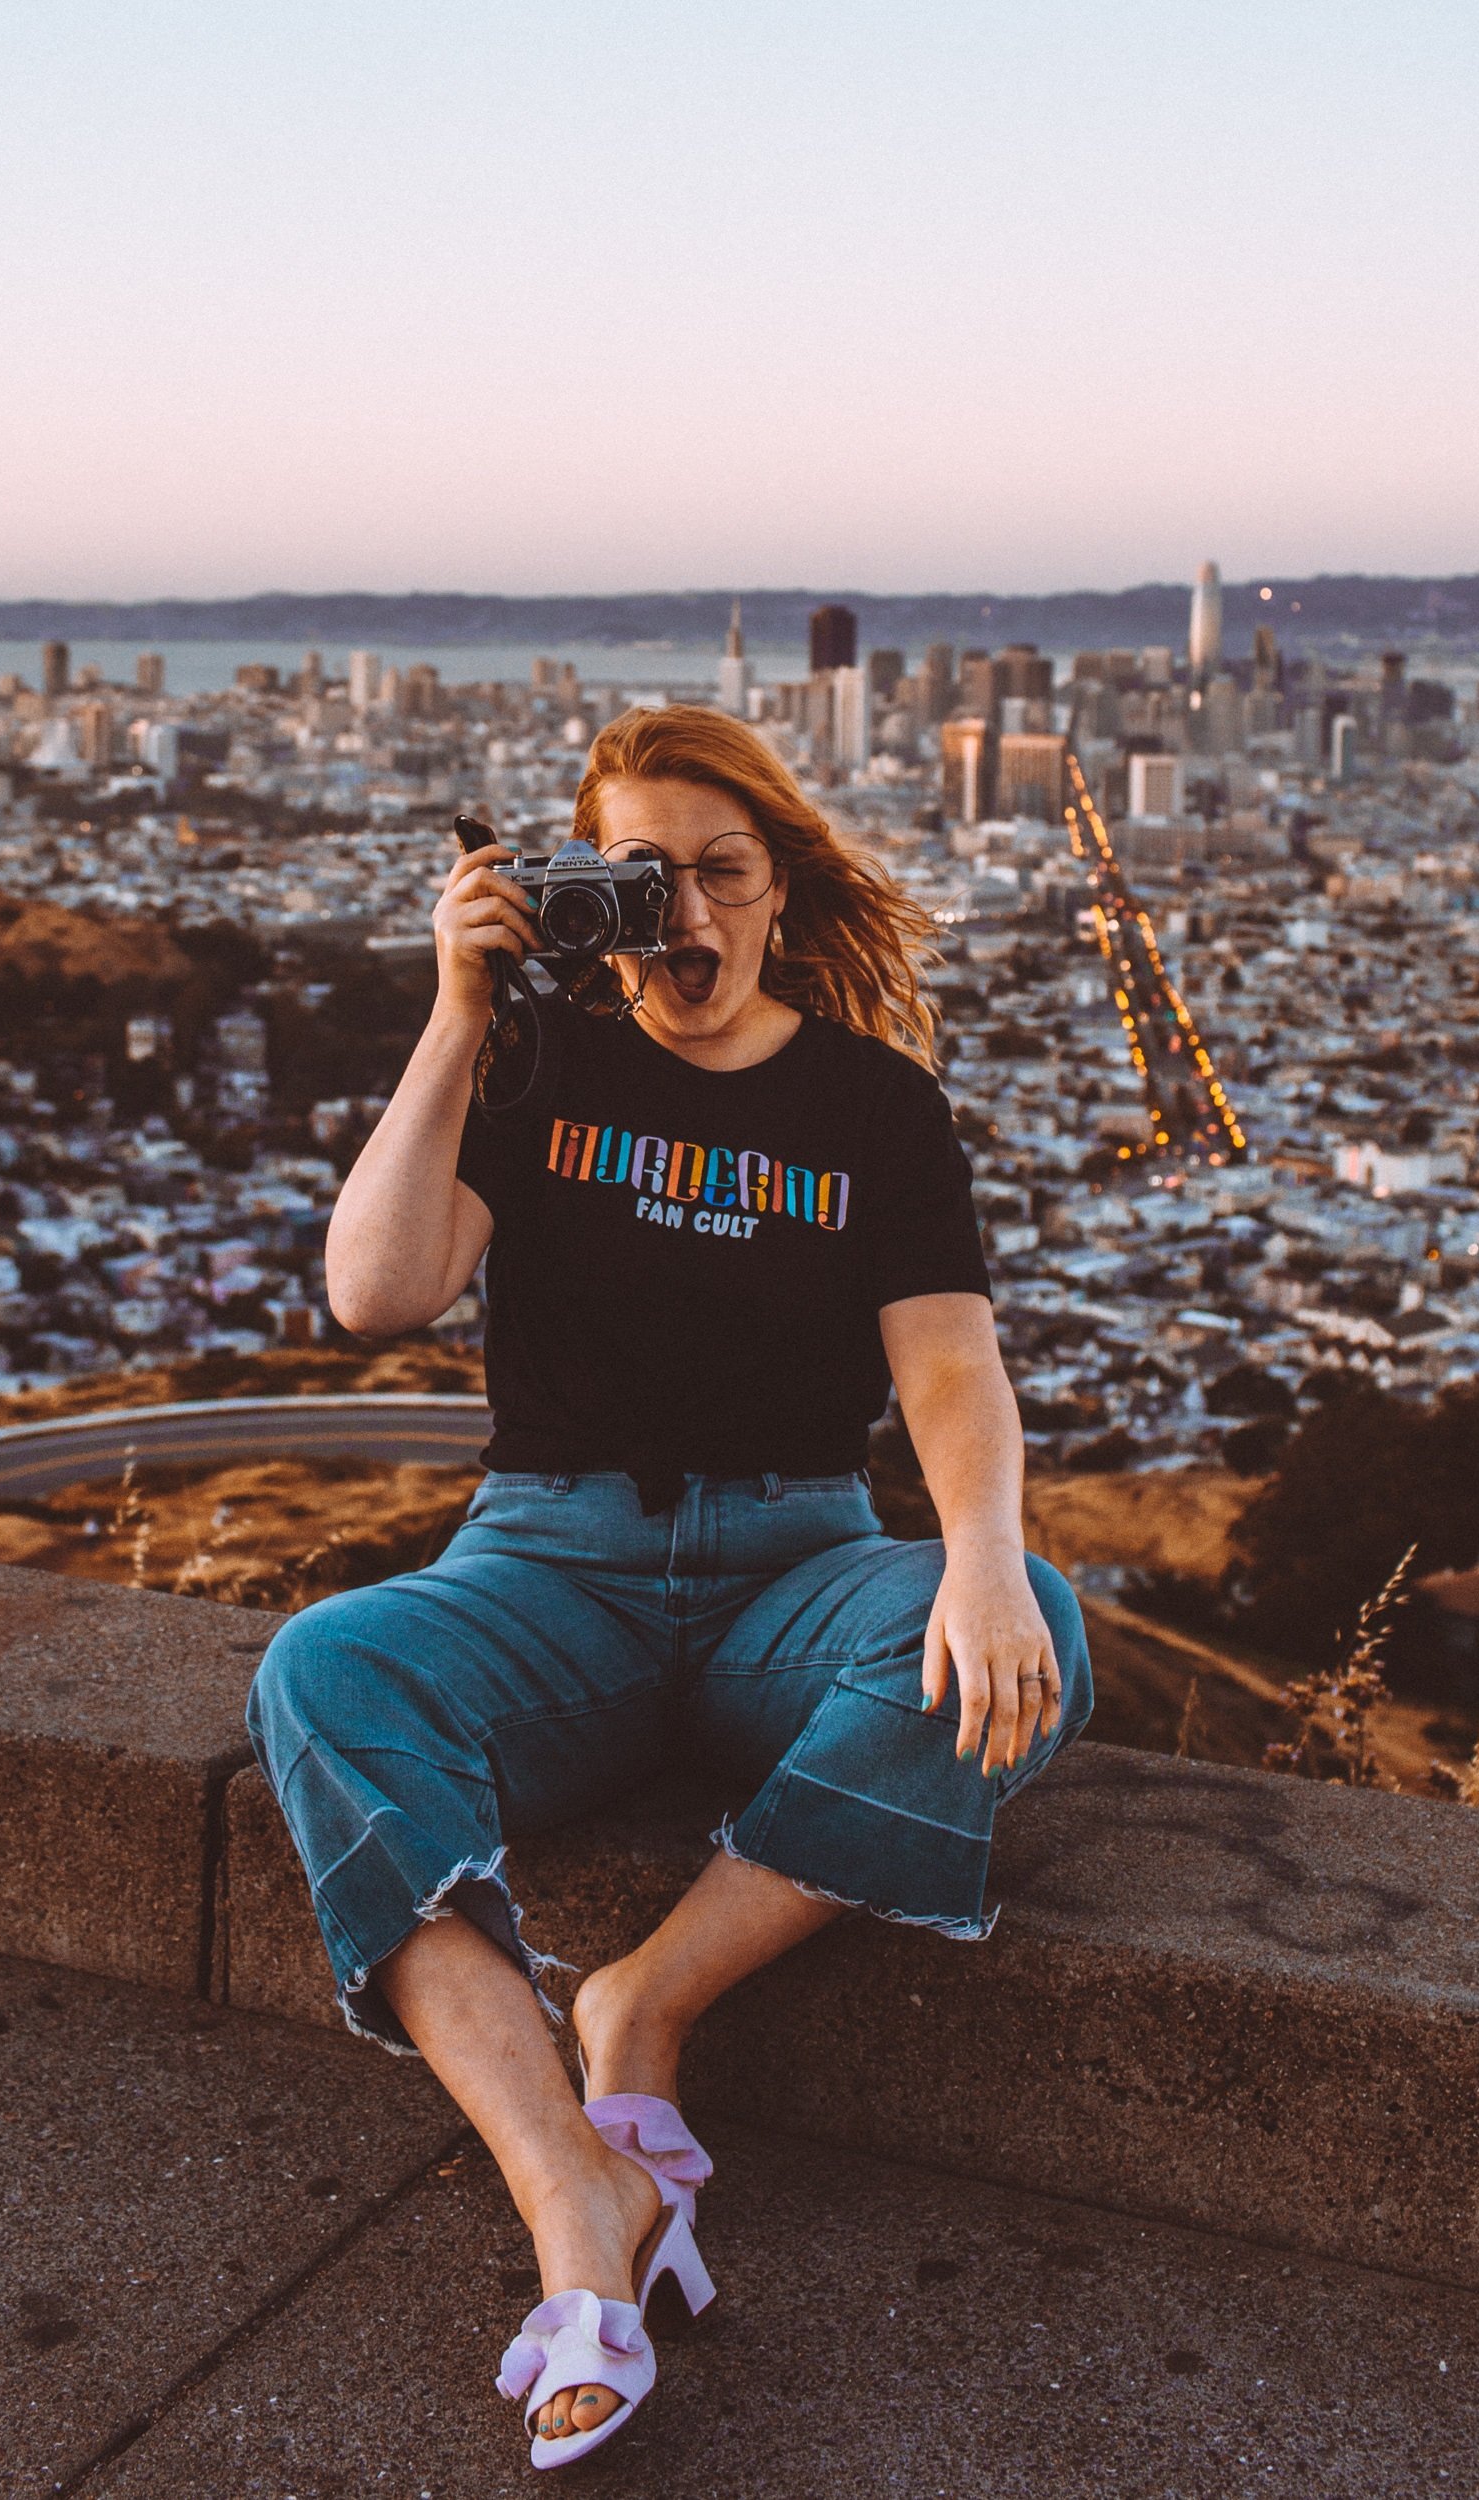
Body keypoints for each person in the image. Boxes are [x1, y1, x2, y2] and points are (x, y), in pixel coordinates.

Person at [247, 703, 1092, 2469]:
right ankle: (578, 2198)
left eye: (717, 870)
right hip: (550, 1558)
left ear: (780, 882)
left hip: (800, 1556)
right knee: (325, 1670)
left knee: (1034, 1640)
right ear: (574, 894)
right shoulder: (543, 1065)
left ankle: (643, 1998)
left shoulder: (872, 1104)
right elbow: (377, 1292)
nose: (683, 916)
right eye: (638, 879)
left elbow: (947, 1370)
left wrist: (989, 1562)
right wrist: (459, 1012)